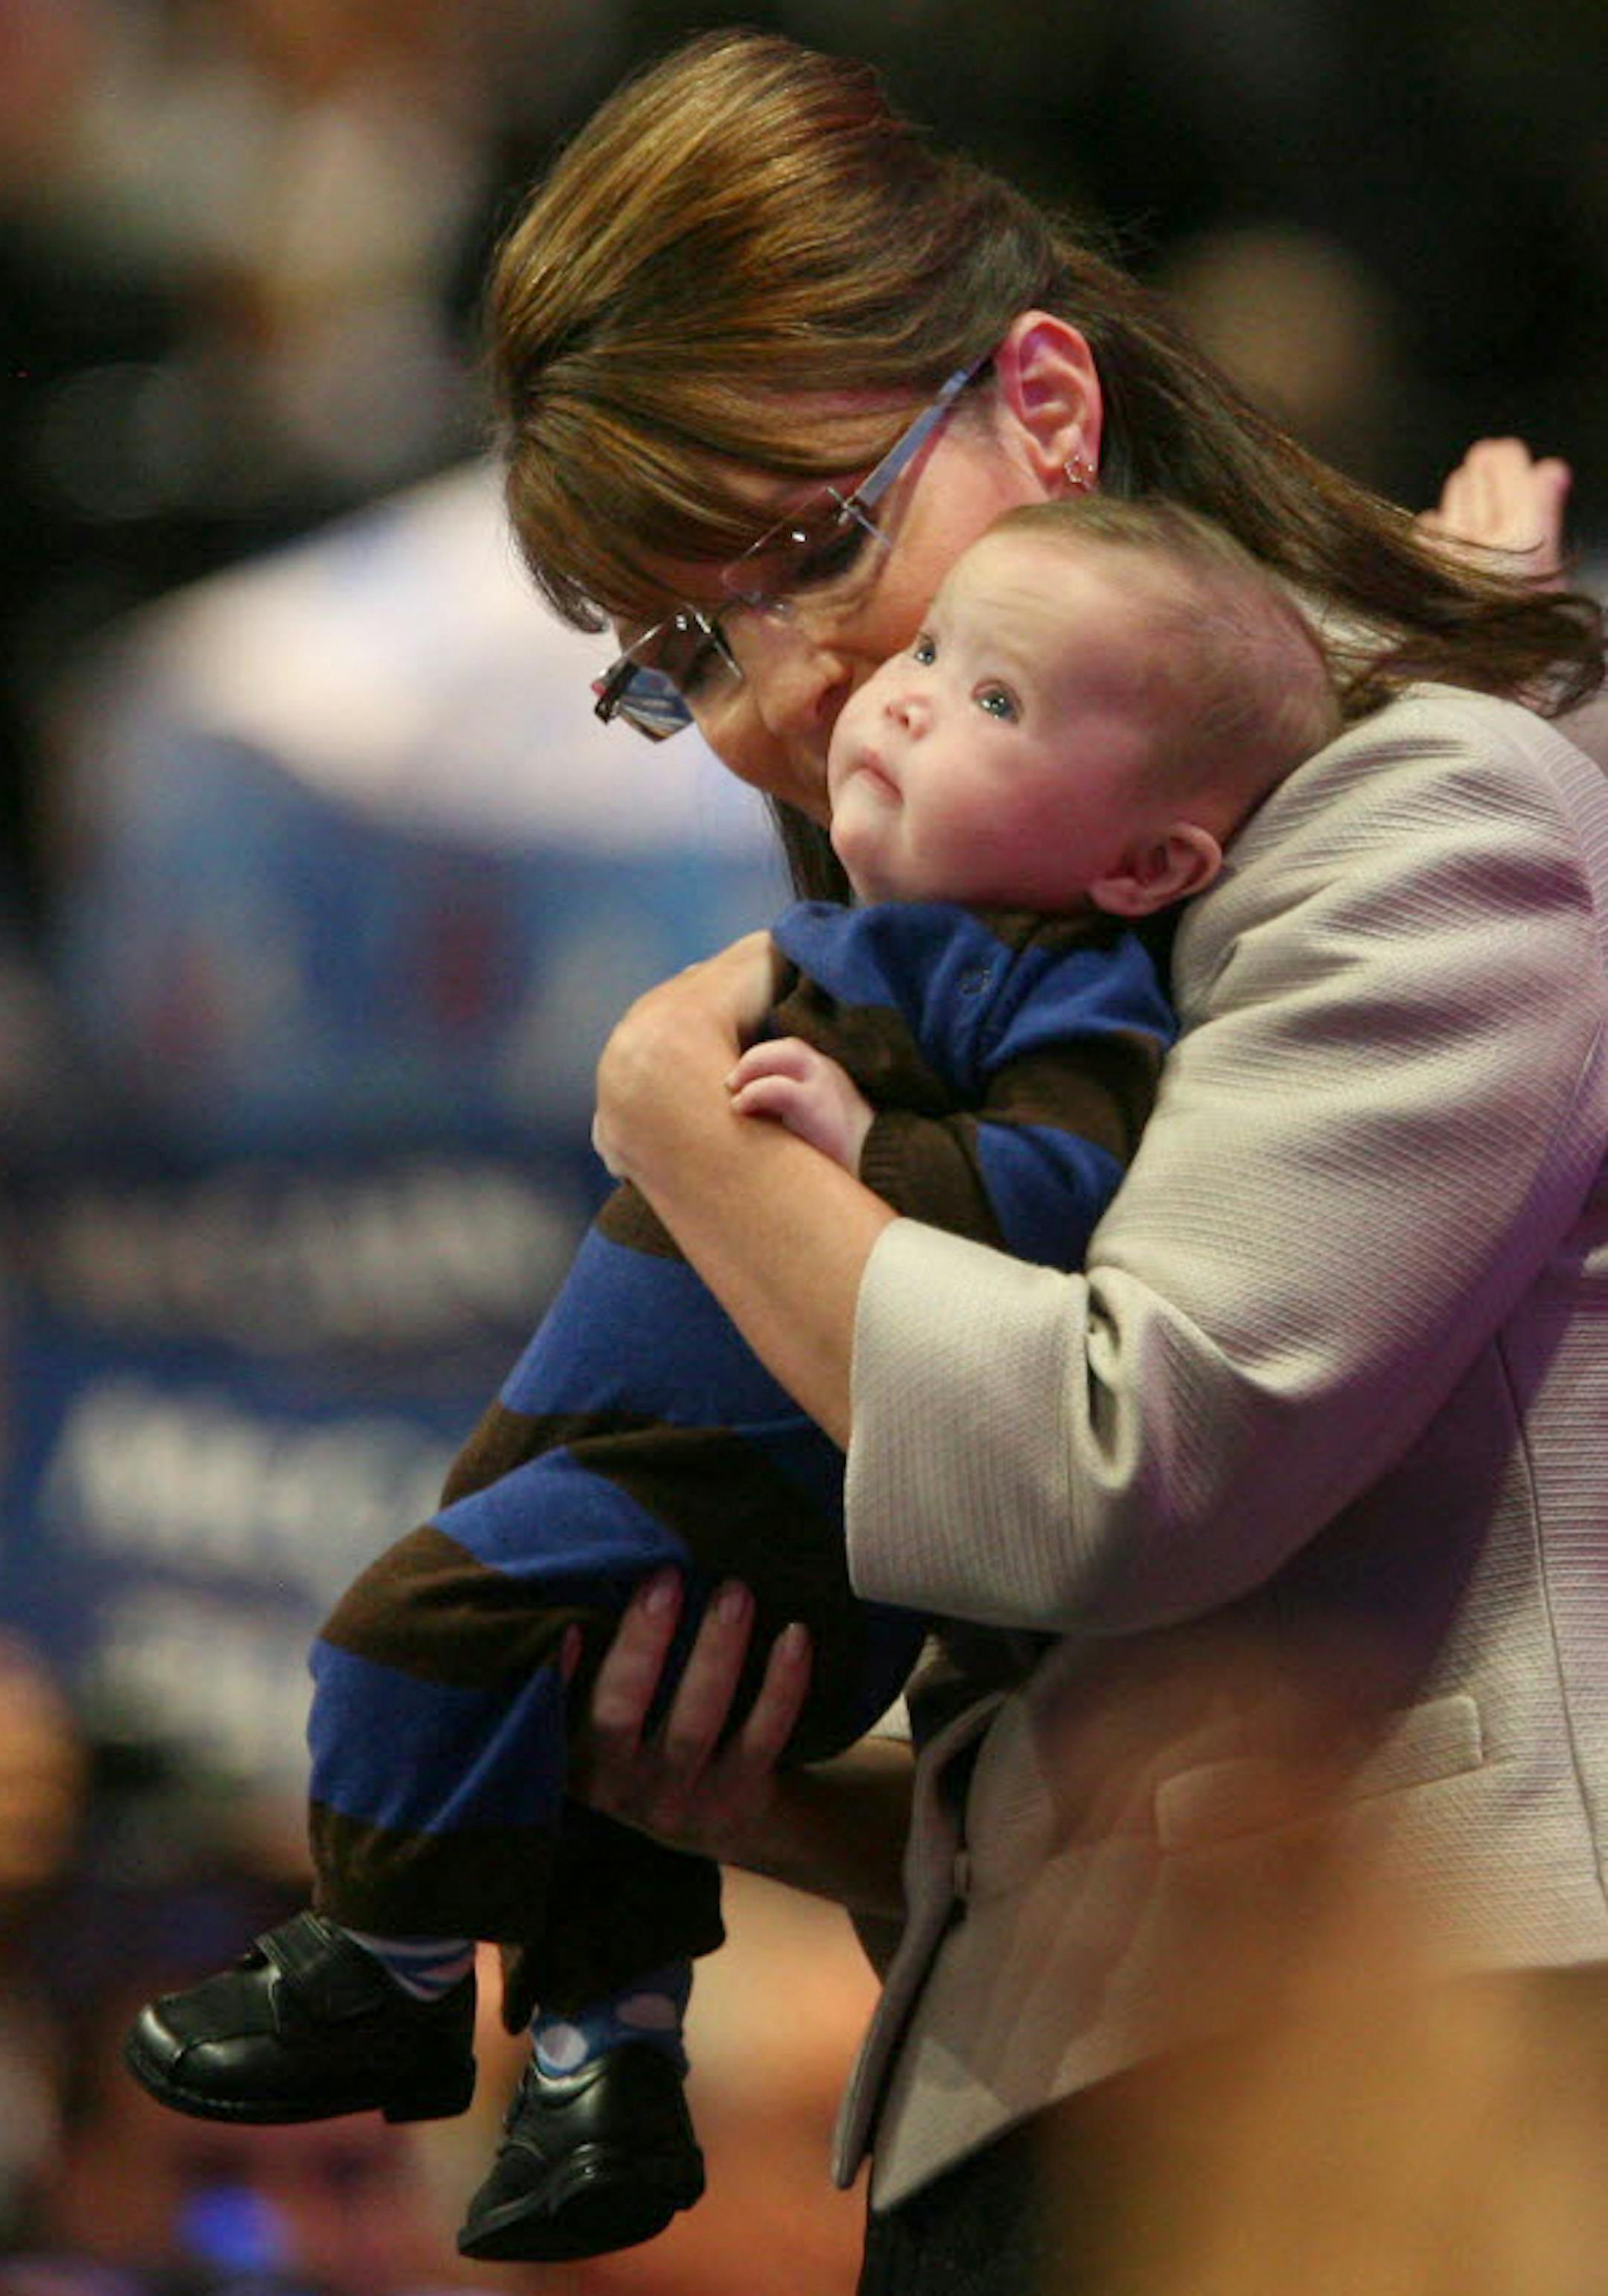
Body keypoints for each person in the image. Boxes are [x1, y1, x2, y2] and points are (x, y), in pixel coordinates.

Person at [468, 28, 1605, 2296]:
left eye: (810, 546)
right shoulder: (964, 1004)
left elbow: (1129, 1457)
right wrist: (779, 1802)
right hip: (1051, 2133)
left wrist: (680, 1116)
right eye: (681, 647)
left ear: (1053, 414)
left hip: (1431, 2114)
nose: (784, 690)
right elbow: (1139, 1734)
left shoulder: (1430, 801)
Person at [123, 490, 1339, 2271]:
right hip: (628, 1445)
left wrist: (851, 1144)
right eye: (929, 662)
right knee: (594, 1747)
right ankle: (600, 2066)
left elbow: (1064, 1199)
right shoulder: (866, 939)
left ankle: (381, 1965)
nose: (906, 700)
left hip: (729, 1471)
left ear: (1151, 863)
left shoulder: (1056, 987)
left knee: (405, 1625)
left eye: (995, 703)